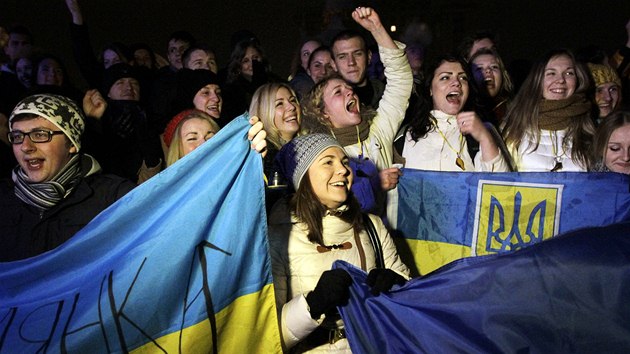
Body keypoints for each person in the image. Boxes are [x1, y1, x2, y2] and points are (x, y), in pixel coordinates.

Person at [268, 133, 410, 353]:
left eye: (345, 162)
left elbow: (411, 303)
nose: (344, 170)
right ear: (302, 176)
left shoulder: (372, 226)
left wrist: (397, 285)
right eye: (328, 162)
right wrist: (312, 305)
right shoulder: (278, 237)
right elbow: (267, 338)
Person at [302, 7, 412, 214]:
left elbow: (401, 81)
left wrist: (377, 29)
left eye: (350, 90)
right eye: (338, 92)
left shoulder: (378, 130)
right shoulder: (320, 154)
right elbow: (320, 206)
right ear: (323, 112)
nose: (350, 94)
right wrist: (372, 185)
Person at [0, 93, 136, 261]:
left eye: (40, 134)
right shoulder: (3, 198)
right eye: (18, 136)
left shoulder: (114, 197)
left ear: (71, 144)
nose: (26, 146)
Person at [395, 54, 509, 172]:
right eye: (445, 77)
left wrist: (485, 138)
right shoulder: (406, 136)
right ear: (430, 89)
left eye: (463, 78)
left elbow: (500, 186)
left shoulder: (482, 132)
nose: (456, 83)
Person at [502, 49, 595, 172]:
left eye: (569, 73)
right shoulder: (516, 127)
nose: (561, 80)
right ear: (538, 79)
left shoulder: (587, 125)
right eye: (551, 73)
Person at [81, 63, 163, 184]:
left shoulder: (151, 118)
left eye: (134, 83)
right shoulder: (99, 120)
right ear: (108, 92)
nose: (129, 88)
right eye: (120, 83)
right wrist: (92, 120)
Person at [331, 29, 384, 109]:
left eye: (357, 54)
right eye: (342, 57)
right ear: (333, 64)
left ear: (369, 57)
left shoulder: (387, 92)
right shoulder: (327, 105)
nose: (351, 62)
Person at [469, 47, 514, 126]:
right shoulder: (461, 114)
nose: (488, 70)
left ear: (503, 75)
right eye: (479, 68)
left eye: (494, 67)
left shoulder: (518, 113)